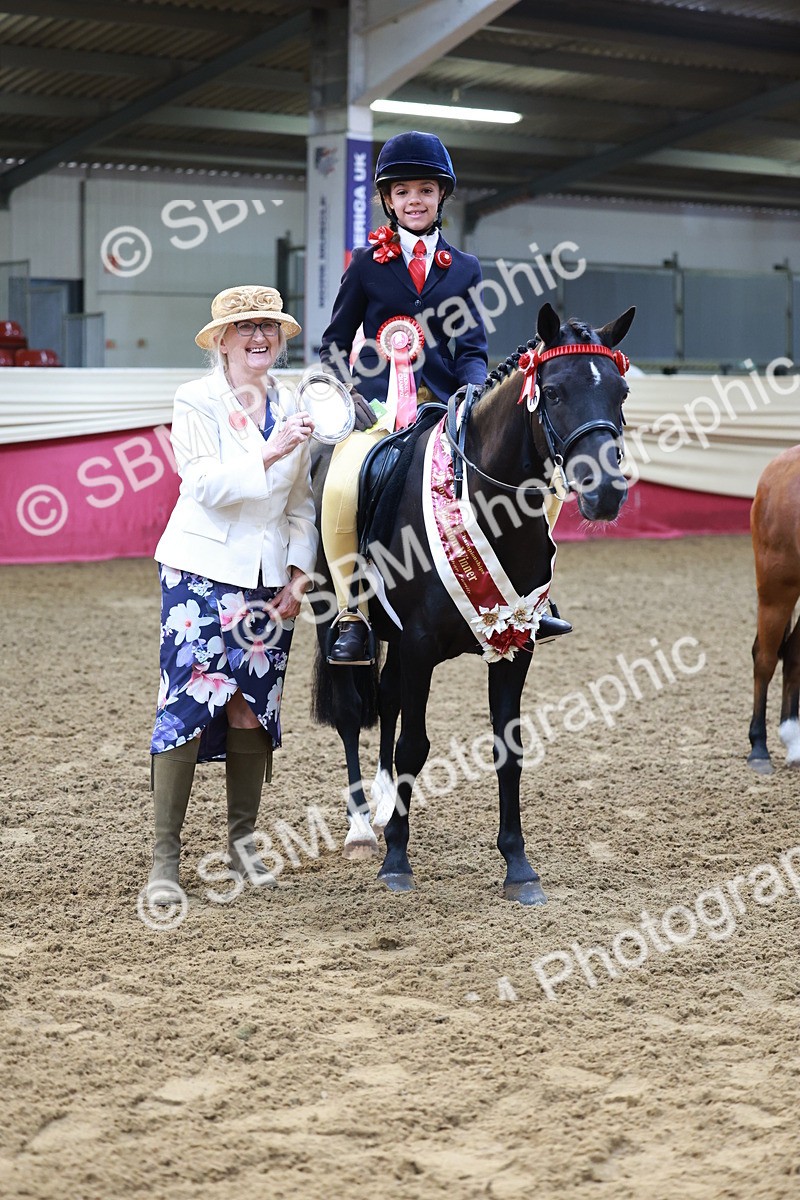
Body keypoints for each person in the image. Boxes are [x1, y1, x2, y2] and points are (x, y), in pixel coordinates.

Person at [319, 130, 569, 664]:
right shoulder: (366, 264)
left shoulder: (465, 268)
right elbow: (335, 342)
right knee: (342, 485)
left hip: (446, 408)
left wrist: (473, 392)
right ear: (388, 199)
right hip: (378, 410)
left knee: (541, 485)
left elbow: (472, 345)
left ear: (441, 197)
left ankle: (533, 597)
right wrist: (344, 392)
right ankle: (352, 613)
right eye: (403, 191)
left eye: (426, 190)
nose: (414, 200)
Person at [145, 286, 318, 906]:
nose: (258, 337)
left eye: (268, 327)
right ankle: (166, 858)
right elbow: (202, 485)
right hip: (199, 573)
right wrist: (271, 450)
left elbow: (301, 503)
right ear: (220, 340)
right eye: (244, 328)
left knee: (252, 708)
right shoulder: (196, 399)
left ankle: (242, 845)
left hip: (270, 578)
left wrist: (300, 573)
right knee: (188, 709)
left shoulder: (299, 401)